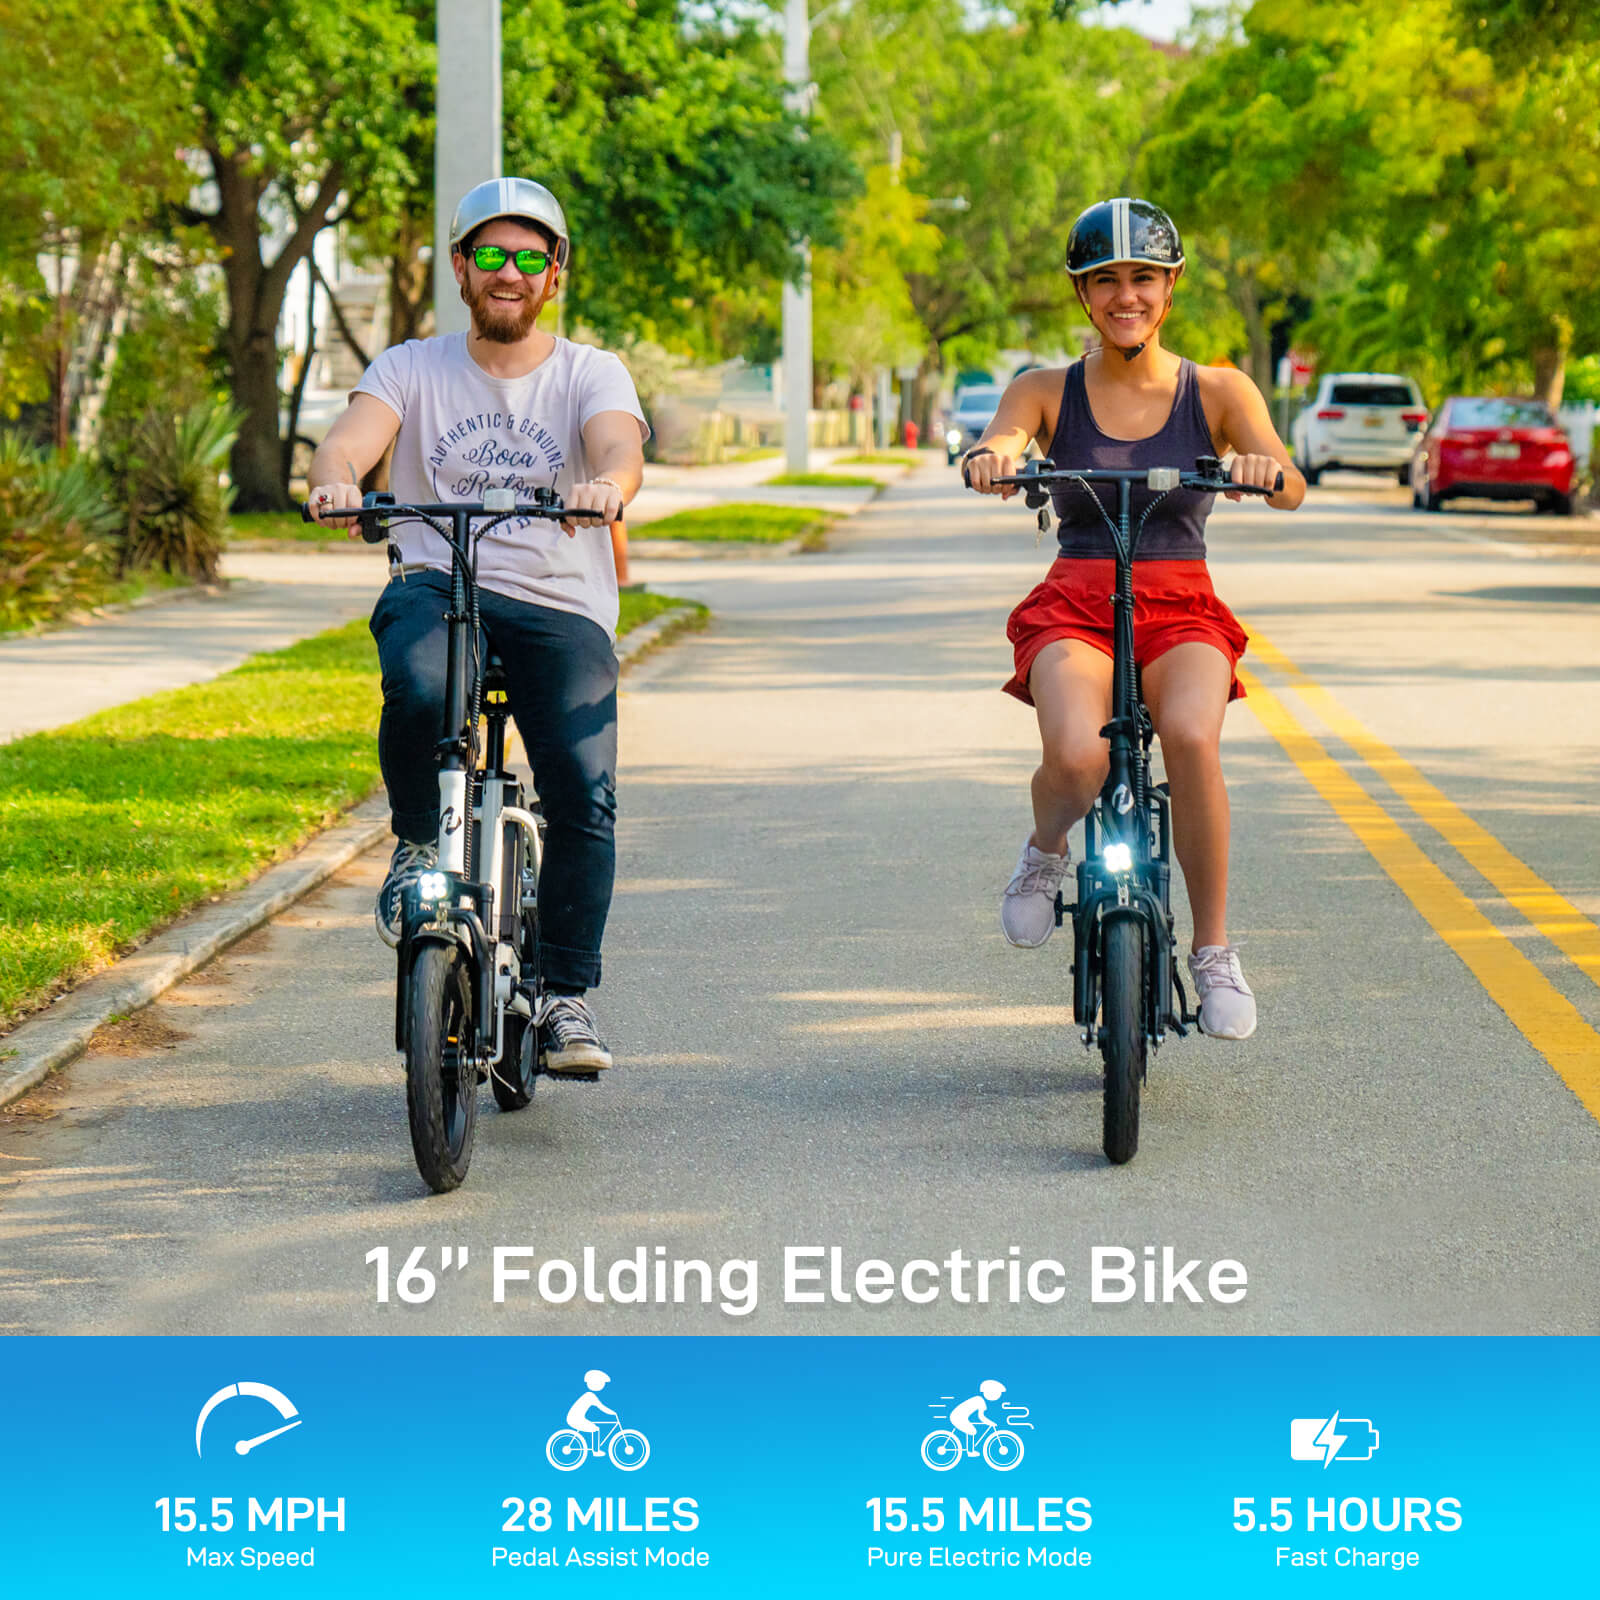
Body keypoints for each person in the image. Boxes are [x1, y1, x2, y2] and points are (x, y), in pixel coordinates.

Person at [307, 177, 648, 1074]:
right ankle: (420, 839)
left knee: (583, 789)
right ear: (461, 268)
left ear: (555, 275)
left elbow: (620, 446)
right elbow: (349, 438)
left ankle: (564, 995)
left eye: (530, 257)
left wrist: (607, 486)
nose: (510, 271)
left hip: (556, 601)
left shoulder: (589, 372)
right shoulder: (410, 367)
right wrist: (338, 478)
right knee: (419, 686)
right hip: (437, 579)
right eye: (491, 254)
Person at [964, 197, 1304, 1040]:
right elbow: (1003, 437)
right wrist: (993, 460)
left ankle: (1215, 950)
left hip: (1180, 602)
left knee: (1191, 736)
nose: (1127, 296)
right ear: (1082, 294)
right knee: (1078, 757)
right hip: (1076, 601)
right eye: (1106, 280)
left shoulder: (1218, 389)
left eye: (1144, 279)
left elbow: (1291, 484)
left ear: (1171, 286)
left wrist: (1263, 466)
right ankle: (1045, 854)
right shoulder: (1045, 389)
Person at [566, 1369, 618, 1436]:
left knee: (594, 1427)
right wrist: (613, 1413)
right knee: (595, 1429)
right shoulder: (590, 1396)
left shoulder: (588, 1395)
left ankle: (592, 1446)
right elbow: (601, 1407)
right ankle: (595, 1446)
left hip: (574, 1418)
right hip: (576, 1419)